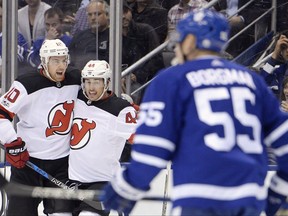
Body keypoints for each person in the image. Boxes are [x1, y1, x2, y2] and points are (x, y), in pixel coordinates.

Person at [100, 9, 288, 216]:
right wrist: (278, 191)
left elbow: (153, 150)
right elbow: (284, 141)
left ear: (189, 41)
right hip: (247, 198)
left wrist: (126, 188)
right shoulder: (250, 81)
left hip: (199, 199)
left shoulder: (172, 80)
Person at [0, 39, 81, 216]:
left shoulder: (76, 79)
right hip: (27, 165)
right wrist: (11, 141)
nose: (62, 65)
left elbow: (96, 99)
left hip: (62, 166)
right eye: (55, 60)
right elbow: (1, 114)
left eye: (64, 60)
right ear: (44, 62)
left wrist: (122, 105)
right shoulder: (25, 84)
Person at [68, 60, 137, 216]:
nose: (91, 88)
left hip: (103, 183)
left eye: (97, 82)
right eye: (88, 82)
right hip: (72, 182)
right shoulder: (77, 98)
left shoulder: (120, 109)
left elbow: (142, 139)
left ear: (107, 82)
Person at [69, 0, 109, 69]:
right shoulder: (79, 36)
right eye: (90, 15)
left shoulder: (114, 36)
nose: (93, 18)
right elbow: (70, 61)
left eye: (97, 14)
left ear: (107, 15)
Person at [260, 30, 288, 99]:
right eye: (284, 47)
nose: (287, 50)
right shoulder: (278, 71)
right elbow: (260, 84)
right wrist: (275, 55)